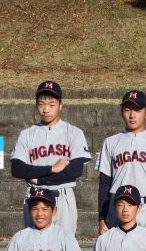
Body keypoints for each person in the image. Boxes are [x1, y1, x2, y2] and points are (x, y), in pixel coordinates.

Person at [10, 80, 91, 236]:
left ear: (60, 105)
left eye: (51, 104)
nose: (46, 109)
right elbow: (17, 168)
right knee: (32, 243)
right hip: (34, 196)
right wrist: (51, 169)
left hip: (62, 194)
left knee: (64, 244)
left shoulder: (74, 132)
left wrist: (40, 180)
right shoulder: (26, 134)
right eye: (41, 104)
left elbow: (75, 170)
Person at [95, 90, 146, 241]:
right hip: (118, 207)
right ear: (121, 112)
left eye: (137, 110)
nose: (132, 115)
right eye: (127, 109)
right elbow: (104, 183)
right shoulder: (110, 142)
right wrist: (102, 219)